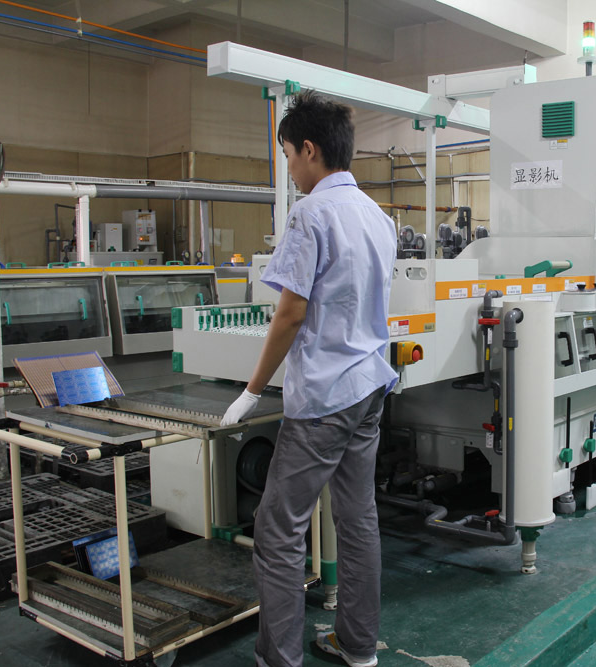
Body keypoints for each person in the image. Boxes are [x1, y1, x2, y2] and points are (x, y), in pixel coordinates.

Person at [220, 91, 397, 667]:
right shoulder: (378, 217)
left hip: (323, 399)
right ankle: (358, 646)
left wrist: (251, 392)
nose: (290, 169)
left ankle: (280, 660)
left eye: (289, 156)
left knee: (278, 530)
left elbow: (290, 314)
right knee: (357, 518)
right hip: (369, 387)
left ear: (310, 150)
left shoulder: (311, 214)